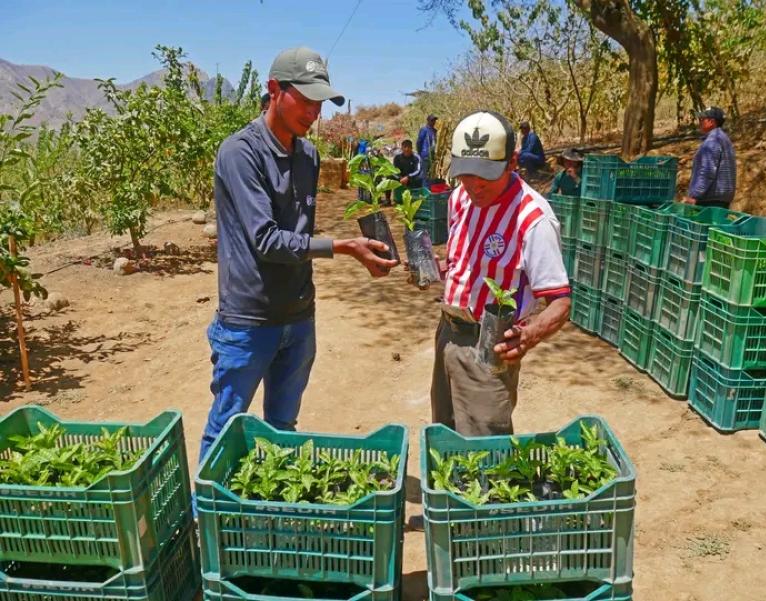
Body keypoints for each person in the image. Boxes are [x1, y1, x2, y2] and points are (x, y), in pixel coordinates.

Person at [199, 47, 398, 462]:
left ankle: (272, 515)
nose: (314, 112)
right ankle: (206, 519)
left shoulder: (308, 155)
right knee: (227, 425)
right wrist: (343, 247)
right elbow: (267, 241)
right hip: (248, 321)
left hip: (299, 317)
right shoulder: (240, 153)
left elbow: (298, 233)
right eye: (305, 100)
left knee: (283, 429)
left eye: (320, 102)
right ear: (274, 89)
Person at [429, 110, 571, 436]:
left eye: (486, 176)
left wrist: (529, 335)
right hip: (447, 331)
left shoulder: (533, 218)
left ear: (512, 162)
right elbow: (464, 258)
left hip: (488, 345)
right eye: (466, 174)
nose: (475, 186)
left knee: (483, 450)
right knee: (444, 434)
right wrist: (441, 268)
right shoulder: (459, 199)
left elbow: (560, 302)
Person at [684, 106, 736, 208]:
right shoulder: (724, 138)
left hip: (710, 199)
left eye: (702, 119)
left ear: (712, 122)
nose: (699, 122)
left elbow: (707, 171)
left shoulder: (713, 141)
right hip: (721, 198)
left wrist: (695, 195)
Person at [416, 114, 438, 186]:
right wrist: (421, 153)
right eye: (432, 120)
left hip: (433, 155)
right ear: (428, 121)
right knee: (425, 174)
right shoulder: (424, 130)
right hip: (425, 155)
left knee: (432, 174)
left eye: (434, 120)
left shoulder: (434, 131)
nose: (433, 122)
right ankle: (425, 191)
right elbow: (419, 142)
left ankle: (431, 189)